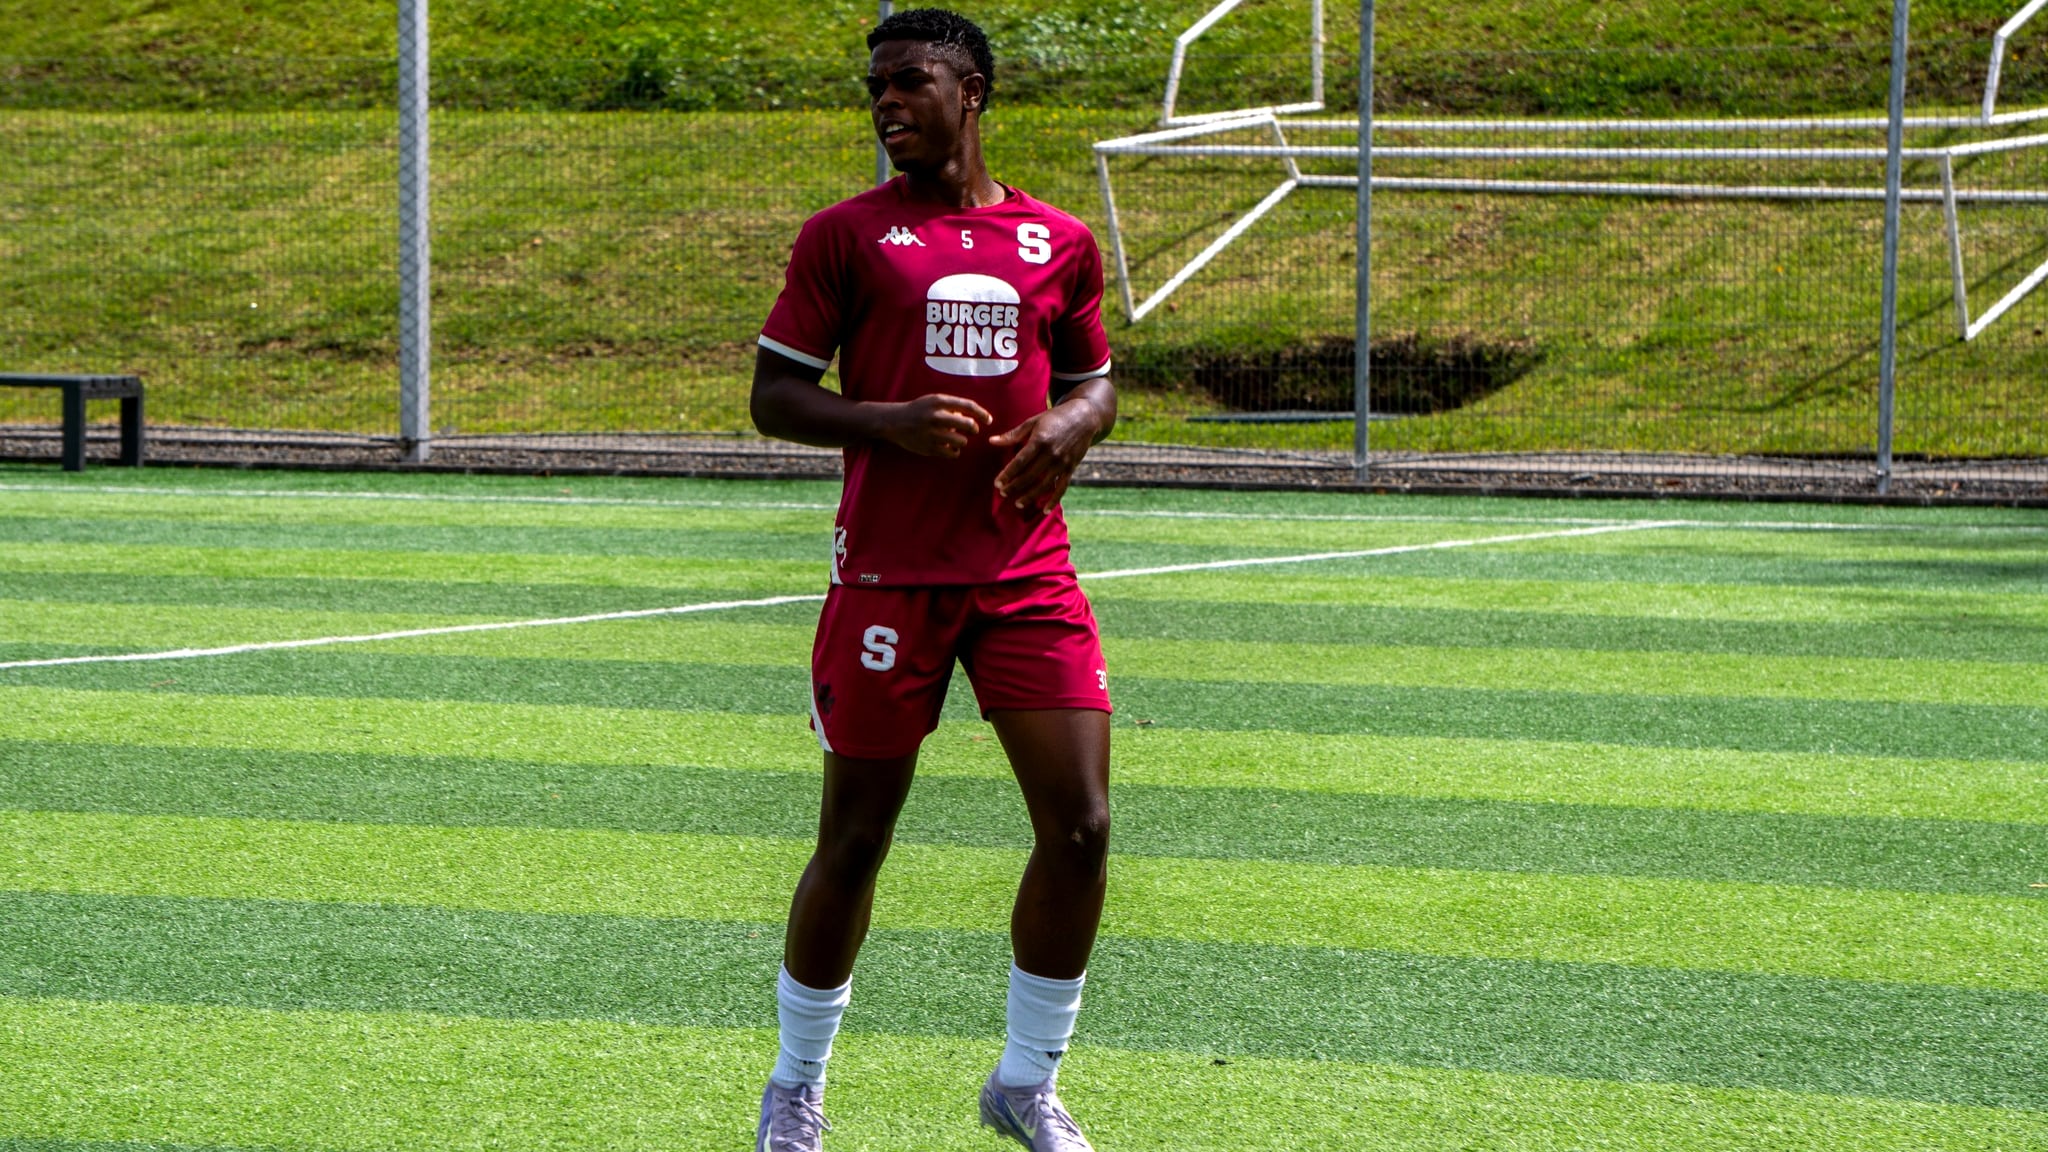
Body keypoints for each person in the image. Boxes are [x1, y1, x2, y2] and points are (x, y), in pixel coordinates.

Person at [747, 8, 1118, 1151]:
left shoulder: (1056, 239)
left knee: (1082, 827)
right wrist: (886, 423)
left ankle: (1023, 1083)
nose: (885, 102)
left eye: (908, 82)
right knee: (856, 838)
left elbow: (1096, 381)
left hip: (1023, 575)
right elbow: (774, 397)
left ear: (973, 93)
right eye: (876, 86)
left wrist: (1071, 425)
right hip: (888, 579)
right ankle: (795, 1088)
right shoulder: (844, 238)